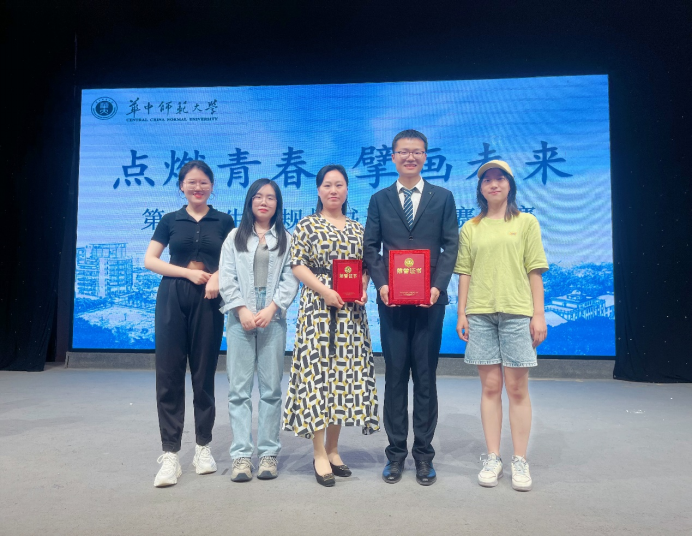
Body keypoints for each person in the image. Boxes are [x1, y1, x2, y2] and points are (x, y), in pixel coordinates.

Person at [363, 130, 458, 486]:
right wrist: (382, 284)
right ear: (393, 157)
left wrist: (437, 286)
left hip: (430, 301)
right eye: (403, 152)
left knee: (426, 376)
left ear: (425, 156)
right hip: (392, 301)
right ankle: (395, 455)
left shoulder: (443, 197)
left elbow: (451, 245)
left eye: (416, 152)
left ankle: (423, 455)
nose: (410, 157)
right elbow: (370, 247)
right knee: (395, 376)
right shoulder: (380, 199)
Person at [455, 159, 548, 492]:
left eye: (500, 179)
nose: (493, 184)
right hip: (480, 314)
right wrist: (462, 313)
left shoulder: (526, 222)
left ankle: (519, 459)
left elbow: (534, 270)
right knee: (491, 388)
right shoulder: (471, 227)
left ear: (510, 185)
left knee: (517, 389)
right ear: (480, 189)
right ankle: (493, 457)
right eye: (487, 180)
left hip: (517, 313)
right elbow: (464, 272)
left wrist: (539, 314)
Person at [283, 164, 379, 487]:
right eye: (327, 185)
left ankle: (334, 449)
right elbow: (298, 265)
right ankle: (319, 452)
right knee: (318, 377)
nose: (333, 190)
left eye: (339, 185)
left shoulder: (357, 228)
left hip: (351, 312)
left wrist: (363, 288)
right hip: (318, 309)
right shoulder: (307, 225)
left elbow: (364, 267)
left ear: (347, 190)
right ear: (318, 190)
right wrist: (324, 291)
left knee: (342, 377)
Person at [144, 160, 235, 488]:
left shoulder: (224, 221)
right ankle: (170, 453)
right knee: (168, 374)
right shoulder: (170, 220)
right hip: (172, 297)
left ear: (212, 186)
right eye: (191, 183)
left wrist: (217, 277)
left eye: (203, 183)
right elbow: (150, 260)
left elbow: (233, 259)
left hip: (209, 300)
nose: (198, 188)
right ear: (181, 186)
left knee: (203, 373)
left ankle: (203, 447)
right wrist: (187, 273)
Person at [218, 179, 298, 482]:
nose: (264, 202)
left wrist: (272, 308)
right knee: (238, 390)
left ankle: (267, 454)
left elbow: (291, 278)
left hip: (272, 318)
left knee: (271, 389)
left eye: (271, 198)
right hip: (239, 317)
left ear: (278, 204)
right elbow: (226, 276)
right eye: (258, 197)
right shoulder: (234, 237)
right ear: (250, 201)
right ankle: (241, 456)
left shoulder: (286, 238)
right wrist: (241, 309)